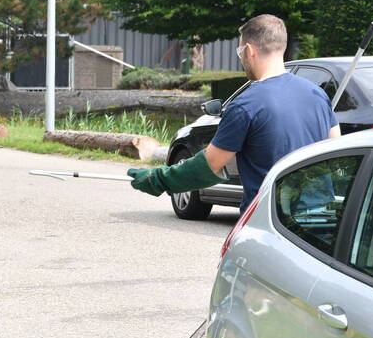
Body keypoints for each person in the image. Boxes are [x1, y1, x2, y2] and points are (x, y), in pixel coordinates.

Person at [128, 14, 340, 212]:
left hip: (270, 221)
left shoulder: (246, 104)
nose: (241, 58)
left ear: (249, 50)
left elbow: (210, 165)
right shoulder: (318, 95)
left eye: (240, 52)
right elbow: (334, 150)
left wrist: (158, 179)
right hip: (319, 218)